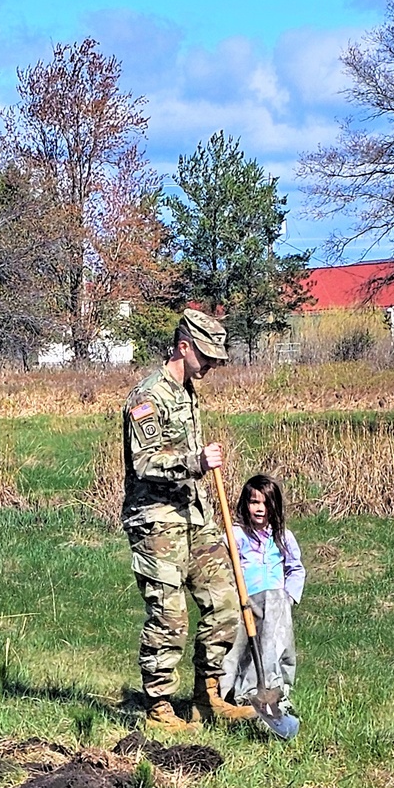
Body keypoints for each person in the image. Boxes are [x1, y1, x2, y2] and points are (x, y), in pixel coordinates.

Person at [122, 308, 256, 731]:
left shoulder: (187, 392)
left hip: (195, 516)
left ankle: (207, 695)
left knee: (226, 600)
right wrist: (194, 461)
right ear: (184, 347)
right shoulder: (149, 396)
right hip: (156, 522)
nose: (213, 365)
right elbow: (143, 462)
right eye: (207, 356)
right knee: (170, 616)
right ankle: (159, 708)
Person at [220, 474, 305, 717]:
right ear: (245, 504)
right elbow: (221, 567)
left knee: (273, 645)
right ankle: (226, 696)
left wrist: (288, 598)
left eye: (266, 503)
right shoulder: (236, 535)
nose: (260, 509)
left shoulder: (282, 536)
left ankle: (271, 690)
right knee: (235, 650)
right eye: (254, 502)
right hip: (243, 602)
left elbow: (296, 569)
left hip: (276, 605)